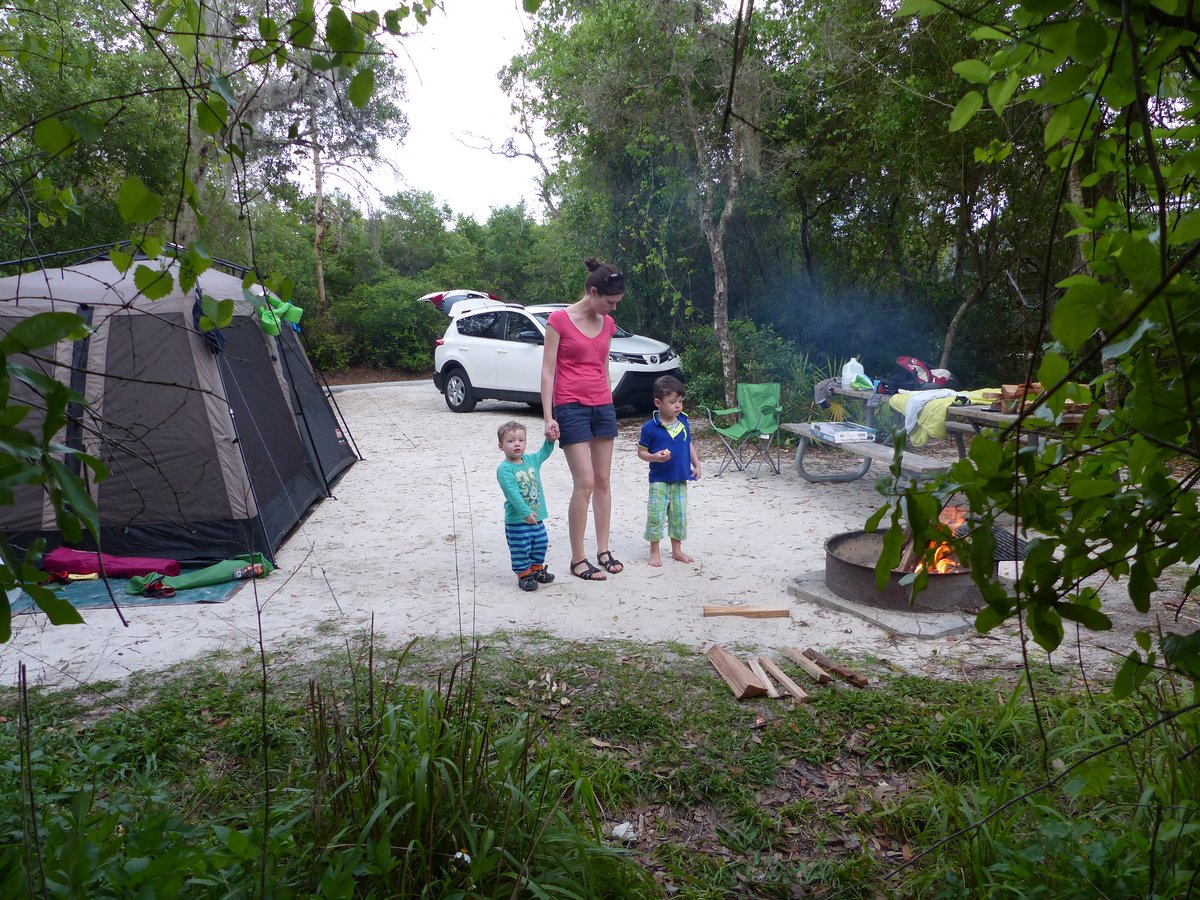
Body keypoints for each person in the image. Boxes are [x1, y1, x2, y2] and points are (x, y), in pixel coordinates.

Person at [541, 257, 626, 582]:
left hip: (602, 405)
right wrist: (549, 415)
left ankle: (603, 551)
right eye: (610, 302)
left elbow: (602, 367)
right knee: (586, 482)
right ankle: (578, 559)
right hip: (570, 407)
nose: (613, 309)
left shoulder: (607, 325)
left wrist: (608, 401)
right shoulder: (558, 321)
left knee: (603, 480)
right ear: (593, 292)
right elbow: (548, 372)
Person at [637, 375, 701, 566]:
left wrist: (696, 464)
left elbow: (688, 443)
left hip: (681, 477)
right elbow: (641, 452)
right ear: (658, 402)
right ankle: (654, 551)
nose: (678, 406)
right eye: (672, 402)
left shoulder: (683, 421)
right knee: (656, 515)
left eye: (680, 401)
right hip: (659, 479)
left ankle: (676, 550)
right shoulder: (650, 427)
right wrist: (655, 457)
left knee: (678, 516)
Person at [496, 421, 556, 591]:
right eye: (511, 441)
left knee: (540, 542)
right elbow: (512, 494)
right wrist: (525, 513)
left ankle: (537, 570)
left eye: (521, 440)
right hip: (518, 519)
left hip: (537, 516)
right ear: (501, 446)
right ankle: (524, 575)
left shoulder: (530, 460)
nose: (517, 444)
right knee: (521, 548)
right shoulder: (505, 469)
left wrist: (550, 441)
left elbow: (544, 453)